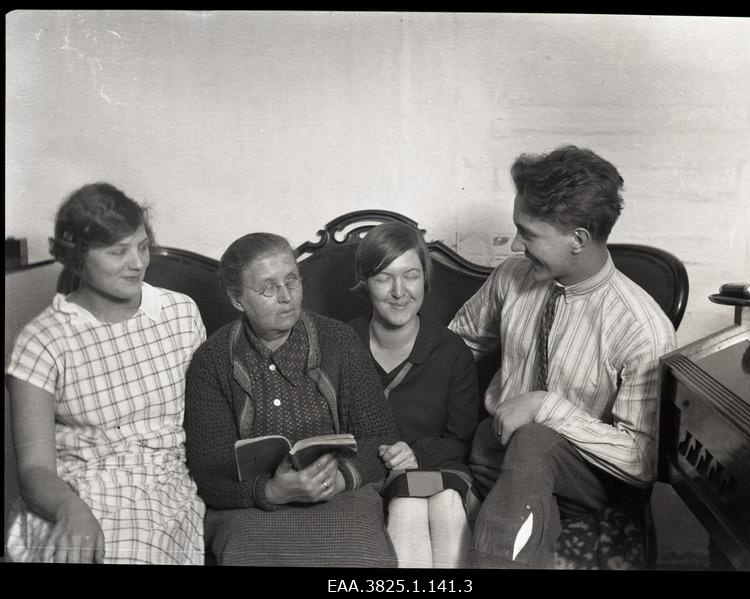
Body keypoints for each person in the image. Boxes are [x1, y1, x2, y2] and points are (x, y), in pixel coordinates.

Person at [449, 145, 677, 568]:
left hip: (588, 479)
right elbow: (455, 348)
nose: (516, 244)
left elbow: (641, 461)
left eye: (529, 233)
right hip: (501, 461)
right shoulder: (511, 278)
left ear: (578, 239)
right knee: (522, 465)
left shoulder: (641, 328)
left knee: (535, 438)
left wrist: (545, 407)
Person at [5, 182, 206, 564]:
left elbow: (206, 422)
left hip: (160, 489)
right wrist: (70, 508)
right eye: (118, 251)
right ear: (77, 257)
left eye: (143, 245)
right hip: (68, 494)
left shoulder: (180, 313)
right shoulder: (43, 339)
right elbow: (34, 467)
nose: (138, 262)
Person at [183, 232, 399, 567]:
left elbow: (382, 437)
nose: (286, 297)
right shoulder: (212, 361)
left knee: (359, 559)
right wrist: (270, 492)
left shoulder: (339, 341)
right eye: (268, 288)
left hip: (340, 497)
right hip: (251, 509)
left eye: (292, 281)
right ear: (237, 299)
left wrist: (340, 478)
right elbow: (207, 475)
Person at [348, 222, 480, 568]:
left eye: (410, 275)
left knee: (446, 502)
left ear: (426, 279)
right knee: (407, 504)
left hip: (439, 472)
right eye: (383, 277)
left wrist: (415, 453)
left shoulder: (452, 351)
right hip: (370, 474)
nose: (398, 291)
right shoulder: (343, 345)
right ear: (365, 282)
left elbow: (460, 439)